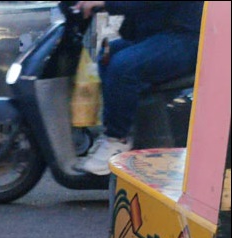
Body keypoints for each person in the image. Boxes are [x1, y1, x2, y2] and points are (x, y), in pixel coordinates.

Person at [74, 0, 204, 175]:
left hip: (188, 37)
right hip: (161, 34)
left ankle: (117, 139)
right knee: (107, 55)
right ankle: (126, 131)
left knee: (123, 67)